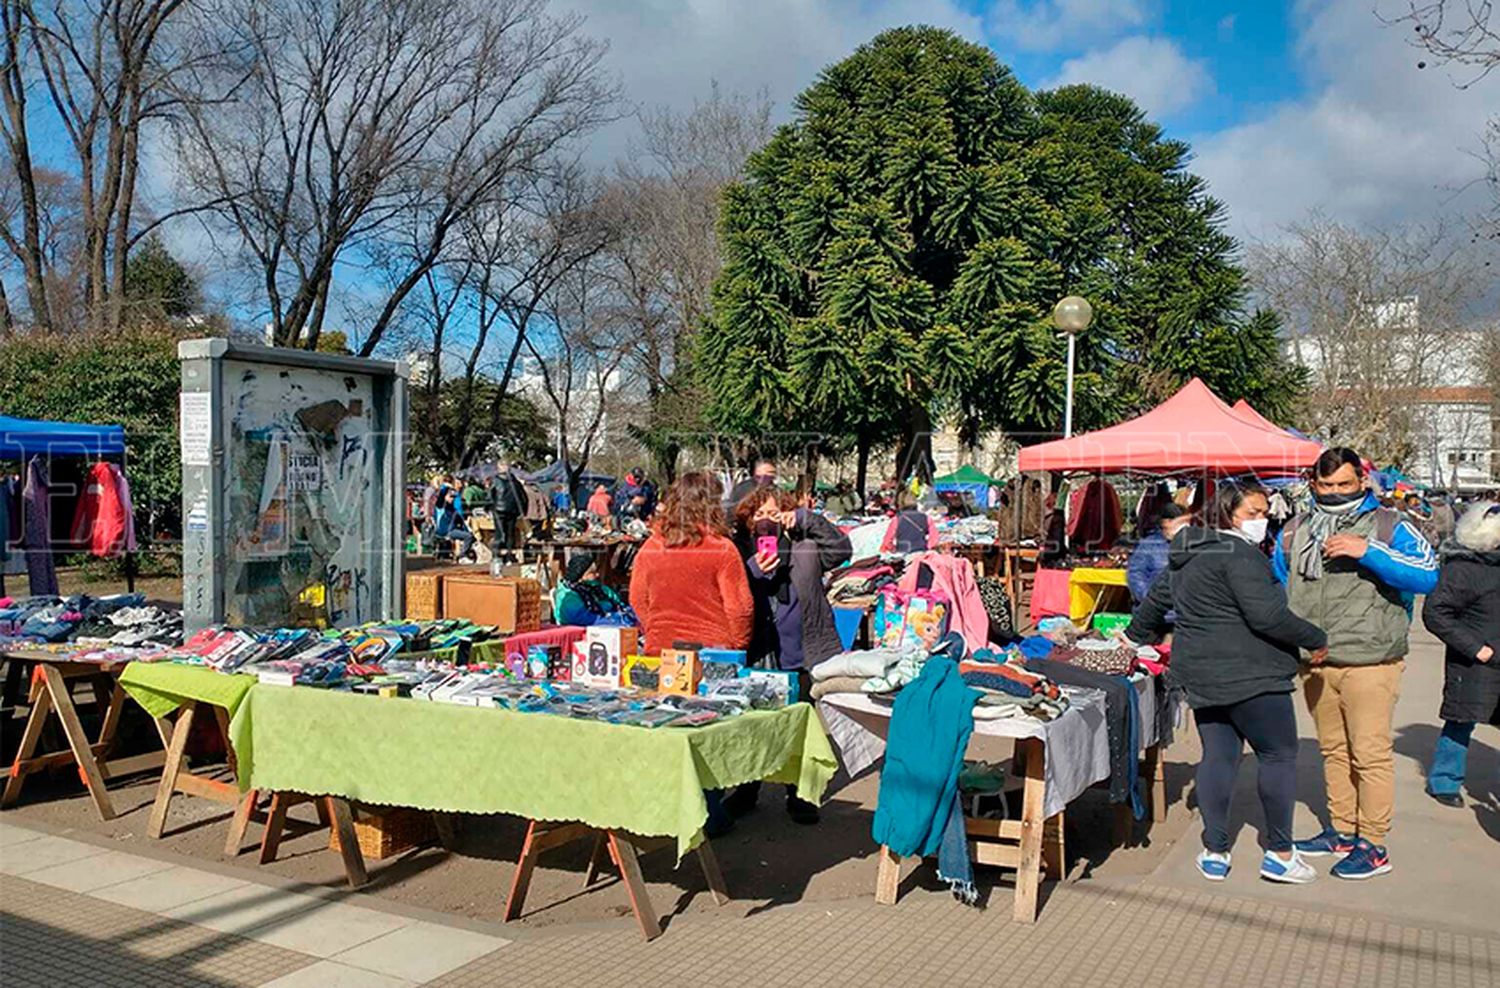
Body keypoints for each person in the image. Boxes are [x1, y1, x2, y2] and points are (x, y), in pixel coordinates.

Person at [1127, 482, 1328, 885]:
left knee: (1219, 758)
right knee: (1277, 756)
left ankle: (1215, 850)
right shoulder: (1241, 555)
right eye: (1253, 513)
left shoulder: (1189, 554)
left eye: (1263, 512)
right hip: (1254, 675)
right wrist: (1315, 638)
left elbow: (1154, 602)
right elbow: (1268, 617)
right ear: (1226, 515)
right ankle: (1280, 853)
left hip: (1202, 675)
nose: (1263, 520)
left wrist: (1134, 637)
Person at [1271, 447, 1438, 879]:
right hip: (1316, 660)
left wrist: (1369, 552)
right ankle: (1343, 831)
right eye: (1325, 486)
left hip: (1370, 659)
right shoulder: (1295, 529)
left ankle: (1374, 843)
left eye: (1343, 484)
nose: (1333, 493)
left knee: (1370, 754)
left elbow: (1427, 574)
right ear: (1312, 485)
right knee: (1334, 751)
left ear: (1362, 483)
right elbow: (1279, 581)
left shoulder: (1390, 524)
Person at [726, 485, 852, 824]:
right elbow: (732, 594)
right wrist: (753, 569)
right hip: (760, 652)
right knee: (752, 725)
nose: (765, 521)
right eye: (758, 514)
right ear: (748, 519)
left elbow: (842, 549)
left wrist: (804, 518)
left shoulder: (806, 547)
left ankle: (799, 794)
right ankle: (747, 788)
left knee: (800, 726)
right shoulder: (739, 553)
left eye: (773, 513)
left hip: (801, 651)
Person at [1420, 502, 1500, 807]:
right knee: (1461, 720)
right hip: (1475, 661)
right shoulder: (1463, 568)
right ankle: (1445, 781)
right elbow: (1436, 613)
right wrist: (1474, 647)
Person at [628, 472, 753, 655]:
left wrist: (656, 631)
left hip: (661, 649)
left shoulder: (650, 548)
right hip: (713, 652)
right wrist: (736, 645)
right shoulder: (722, 549)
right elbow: (740, 608)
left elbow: (637, 599)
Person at [1126, 503, 1192, 604]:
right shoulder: (1149, 545)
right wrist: (1151, 601)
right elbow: (1136, 574)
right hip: (1158, 610)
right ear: (1164, 522)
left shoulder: (1192, 542)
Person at [880, 488, 938, 554]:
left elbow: (887, 542)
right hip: (921, 553)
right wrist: (928, 548)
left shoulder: (897, 519)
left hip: (903, 553)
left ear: (900, 502)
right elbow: (934, 538)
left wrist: (894, 550)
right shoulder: (926, 518)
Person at [488, 463, 526, 562]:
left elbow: (489, 497)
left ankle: (497, 556)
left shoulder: (495, 481)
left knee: (499, 534)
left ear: (499, 469)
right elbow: (524, 498)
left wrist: (487, 509)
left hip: (499, 510)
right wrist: (522, 511)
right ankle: (509, 557)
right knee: (510, 534)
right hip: (513, 511)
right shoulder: (516, 482)